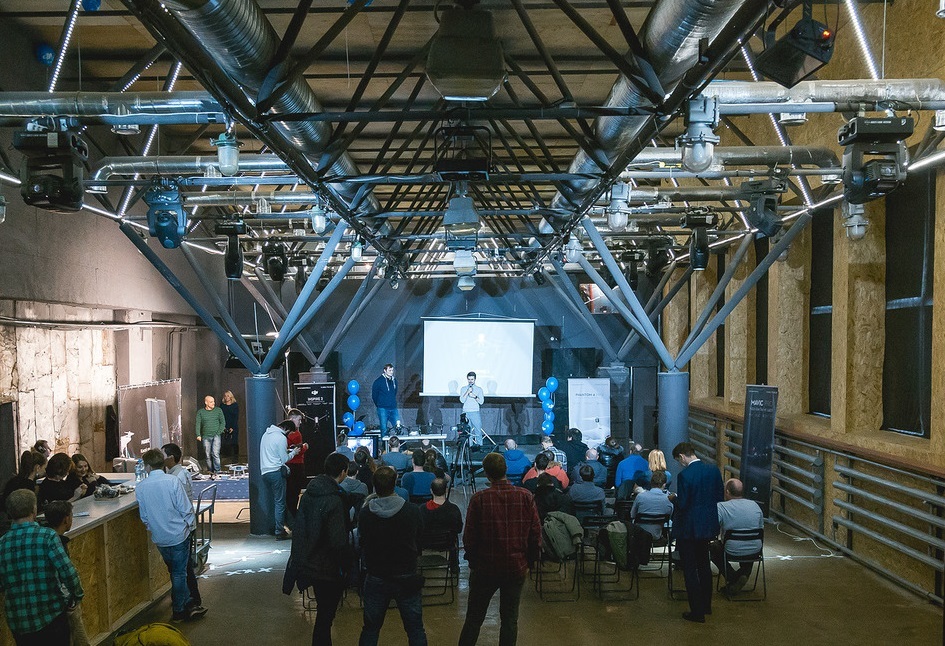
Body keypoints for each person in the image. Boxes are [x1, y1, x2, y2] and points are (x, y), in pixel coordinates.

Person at [459, 453, 541, 646]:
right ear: (506, 470)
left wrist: (473, 563)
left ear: (487, 474)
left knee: (474, 619)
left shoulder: (479, 499)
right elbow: (535, 534)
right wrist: (529, 562)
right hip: (515, 567)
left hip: (485, 568)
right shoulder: (525, 496)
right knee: (510, 620)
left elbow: (469, 537)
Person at [283, 452, 354, 646]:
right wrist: (347, 565)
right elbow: (338, 541)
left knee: (323, 614)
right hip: (328, 567)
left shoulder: (310, 493)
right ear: (343, 472)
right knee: (325, 616)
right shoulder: (334, 500)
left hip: (310, 562)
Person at [0, 489, 83, 645]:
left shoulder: (2, 543)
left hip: (18, 621)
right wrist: (77, 596)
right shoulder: (47, 536)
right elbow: (68, 572)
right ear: (34, 510)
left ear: (10, 513)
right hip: (50, 615)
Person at [135, 449, 208, 623]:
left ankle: (187, 603)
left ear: (147, 466)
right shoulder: (173, 481)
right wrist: (190, 526)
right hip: (178, 534)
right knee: (179, 573)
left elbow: (144, 516)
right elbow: (185, 508)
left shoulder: (141, 487)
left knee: (174, 571)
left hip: (159, 537)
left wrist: (154, 528)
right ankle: (179, 610)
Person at [358, 466, 428, 645]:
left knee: (371, 628)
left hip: (376, 575)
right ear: (395, 483)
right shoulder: (412, 511)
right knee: (415, 628)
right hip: (406, 575)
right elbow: (419, 538)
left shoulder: (365, 513)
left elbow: (362, 541)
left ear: (374, 486)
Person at [670, 441, 724, 624]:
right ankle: (707, 605)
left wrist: (674, 499)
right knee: (704, 565)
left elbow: (683, 504)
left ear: (681, 457)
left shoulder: (685, 475)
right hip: (707, 525)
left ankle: (697, 611)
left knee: (690, 569)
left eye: (678, 460)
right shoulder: (713, 470)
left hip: (689, 528)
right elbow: (719, 496)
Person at [45, 501, 90, 646]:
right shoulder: (56, 542)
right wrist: (76, 596)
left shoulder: (45, 538)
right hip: (64, 603)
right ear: (66, 519)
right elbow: (66, 573)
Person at [710, 478, 764, 594]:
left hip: (731, 549)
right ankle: (743, 575)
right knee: (749, 546)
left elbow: (713, 529)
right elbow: (761, 528)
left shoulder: (721, 507)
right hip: (755, 549)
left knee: (714, 548)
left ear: (727, 491)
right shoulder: (754, 505)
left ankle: (733, 577)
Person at [260, 421, 301, 540]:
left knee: (280, 501)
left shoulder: (266, 434)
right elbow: (284, 459)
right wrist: (294, 452)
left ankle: (293, 526)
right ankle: (279, 531)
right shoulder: (281, 438)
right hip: (276, 472)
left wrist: (287, 451)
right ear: (287, 429)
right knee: (280, 503)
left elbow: (274, 453)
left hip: (265, 472)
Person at [630, 469, 674, 539]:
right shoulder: (669, 499)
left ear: (650, 482)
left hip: (640, 535)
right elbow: (670, 516)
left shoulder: (640, 496)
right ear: (664, 484)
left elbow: (632, 515)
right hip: (658, 535)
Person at [285, 417, 309, 527]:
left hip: (289, 465)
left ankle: (290, 519)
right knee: (294, 494)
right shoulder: (296, 434)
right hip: (296, 465)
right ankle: (293, 520)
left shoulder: (286, 435)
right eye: (298, 419)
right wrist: (305, 447)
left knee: (290, 494)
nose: (300, 422)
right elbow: (298, 451)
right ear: (292, 419)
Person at [195, 395, 225, 479]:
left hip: (216, 435)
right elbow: (198, 423)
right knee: (207, 455)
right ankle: (210, 471)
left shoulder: (218, 410)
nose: (213, 403)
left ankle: (217, 471)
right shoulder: (201, 412)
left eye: (214, 401)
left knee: (215, 453)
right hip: (206, 436)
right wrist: (198, 434)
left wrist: (218, 432)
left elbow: (223, 422)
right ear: (206, 402)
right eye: (211, 402)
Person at [371, 363, 400, 437]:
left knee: (398, 427)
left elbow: (395, 392)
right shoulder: (378, 381)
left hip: (393, 408)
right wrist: (380, 404)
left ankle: (398, 443)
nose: (391, 372)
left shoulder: (394, 380)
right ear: (385, 370)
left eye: (392, 370)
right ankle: (385, 444)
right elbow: (374, 395)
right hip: (383, 408)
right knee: (384, 429)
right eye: (389, 370)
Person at [459, 371, 485, 446]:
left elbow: (481, 402)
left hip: (475, 412)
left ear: (475, 379)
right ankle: (469, 448)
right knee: (468, 432)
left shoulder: (479, 389)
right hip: (466, 412)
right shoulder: (463, 389)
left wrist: (475, 396)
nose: (470, 381)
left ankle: (479, 447)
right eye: (469, 379)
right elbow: (462, 400)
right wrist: (467, 392)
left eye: (472, 379)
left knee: (478, 431)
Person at [220, 390, 240, 459]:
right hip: (224, 426)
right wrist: (223, 426)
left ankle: (235, 458)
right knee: (224, 443)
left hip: (233, 426)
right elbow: (221, 417)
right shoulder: (222, 406)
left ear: (231, 397)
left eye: (228, 396)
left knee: (234, 442)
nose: (226, 397)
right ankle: (225, 458)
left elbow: (236, 417)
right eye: (225, 396)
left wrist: (232, 427)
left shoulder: (235, 405)